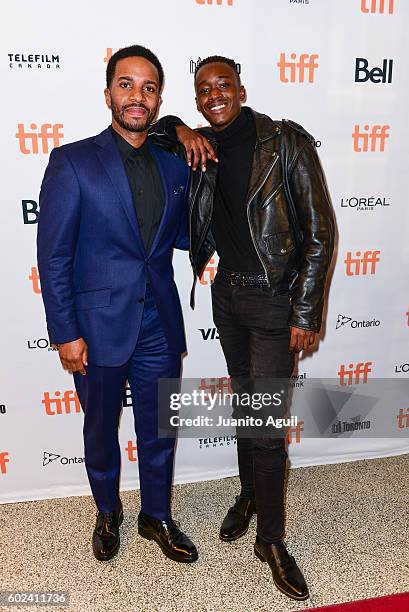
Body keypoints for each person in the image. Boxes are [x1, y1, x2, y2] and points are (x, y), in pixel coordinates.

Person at [37, 45, 213, 564]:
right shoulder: (72, 161)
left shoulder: (174, 165)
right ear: (109, 92)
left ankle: (156, 515)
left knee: (160, 427)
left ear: (159, 99)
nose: (138, 96)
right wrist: (65, 332)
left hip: (159, 320)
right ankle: (107, 510)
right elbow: (53, 256)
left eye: (149, 87)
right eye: (127, 84)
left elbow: (183, 234)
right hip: (95, 328)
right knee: (100, 429)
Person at [172, 55, 335, 600]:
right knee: (246, 407)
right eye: (204, 89)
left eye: (223, 85)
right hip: (228, 299)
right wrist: (176, 126)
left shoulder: (285, 142)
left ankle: (272, 539)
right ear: (196, 99)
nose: (214, 95)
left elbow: (320, 232)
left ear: (241, 88)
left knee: (265, 427)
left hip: (273, 304)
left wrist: (305, 313)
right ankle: (247, 494)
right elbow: (150, 131)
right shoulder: (200, 143)